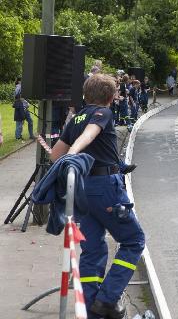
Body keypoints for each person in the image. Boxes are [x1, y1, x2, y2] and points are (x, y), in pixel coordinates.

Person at [50, 74, 145, 318]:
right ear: (112, 97)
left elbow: (54, 155)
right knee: (133, 240)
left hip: (83, 190)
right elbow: (91, 134)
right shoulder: (103, 113)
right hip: (106, 187)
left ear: (85, 94)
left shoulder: (75, 118)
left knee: (92, 250)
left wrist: (69, 156)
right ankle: (107, 298)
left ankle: (93, 310)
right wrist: (75, 152)